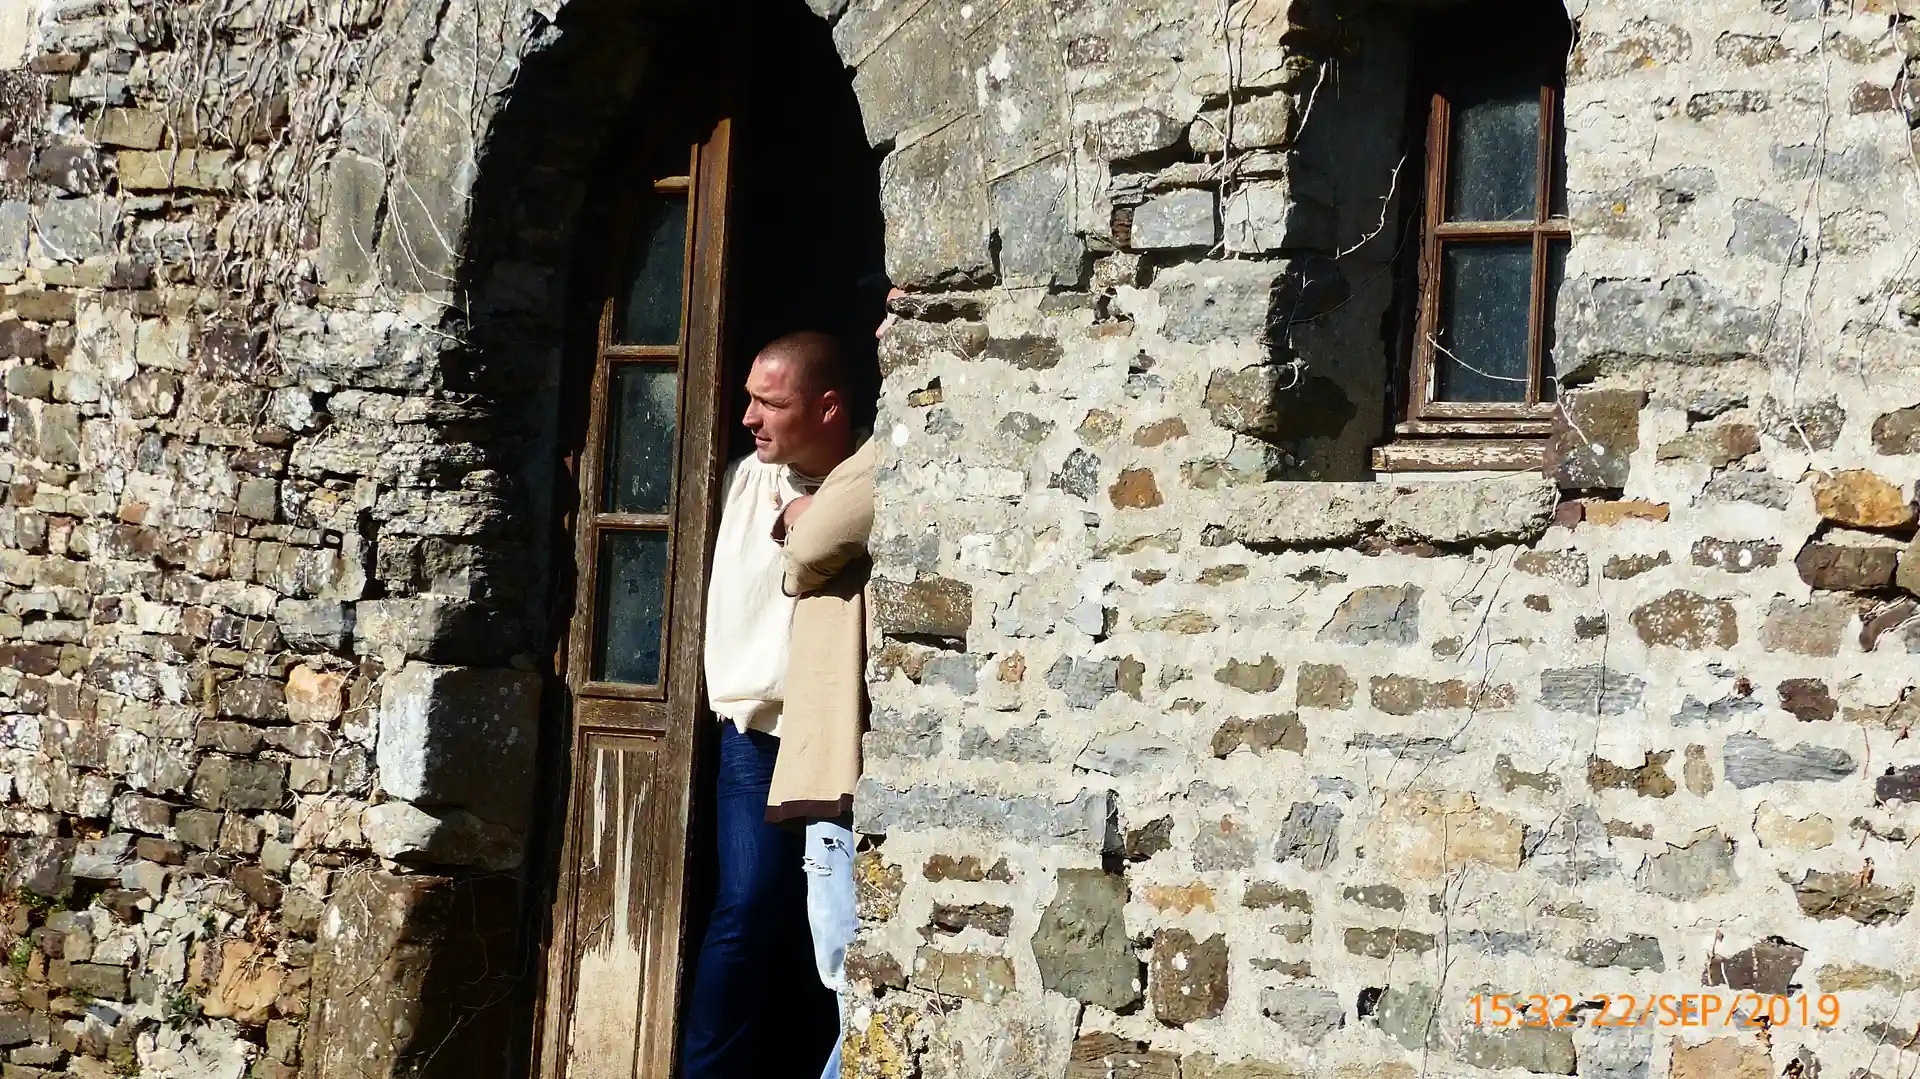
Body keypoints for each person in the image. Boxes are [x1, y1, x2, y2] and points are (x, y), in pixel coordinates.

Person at [683, 331, 856, 1079]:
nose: (749, 417)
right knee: (748, 907)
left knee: (836, 923)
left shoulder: (862, 480)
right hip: (753, 734)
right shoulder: (738, 480)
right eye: (750, 399)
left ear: (828, 408)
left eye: (771, 403)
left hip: (835, 733)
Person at [766, 398, 875, 1079]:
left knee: (850, 981)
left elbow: (806, 553)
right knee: (844, 982)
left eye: (770, 401)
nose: (750, 417)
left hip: (841, 768)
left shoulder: (874, 459)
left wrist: (802, 519)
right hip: (826, 767)